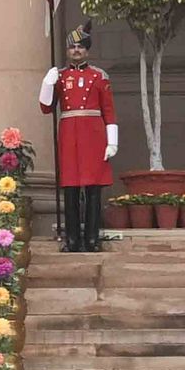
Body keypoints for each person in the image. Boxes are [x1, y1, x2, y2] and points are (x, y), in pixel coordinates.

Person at [40, 29, 112, 254]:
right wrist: (47, 84)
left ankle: (91, 239)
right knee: (70, 189)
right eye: (72, 47)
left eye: (80, 47)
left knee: (93, 189)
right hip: (69, 134)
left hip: (93, 135)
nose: (76, 50)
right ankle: (71, 239)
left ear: (87, 50)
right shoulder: (60, 77)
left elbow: (109, 111)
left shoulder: (99, 76)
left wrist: (112, 141)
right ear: (67, 50)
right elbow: (46, 108)